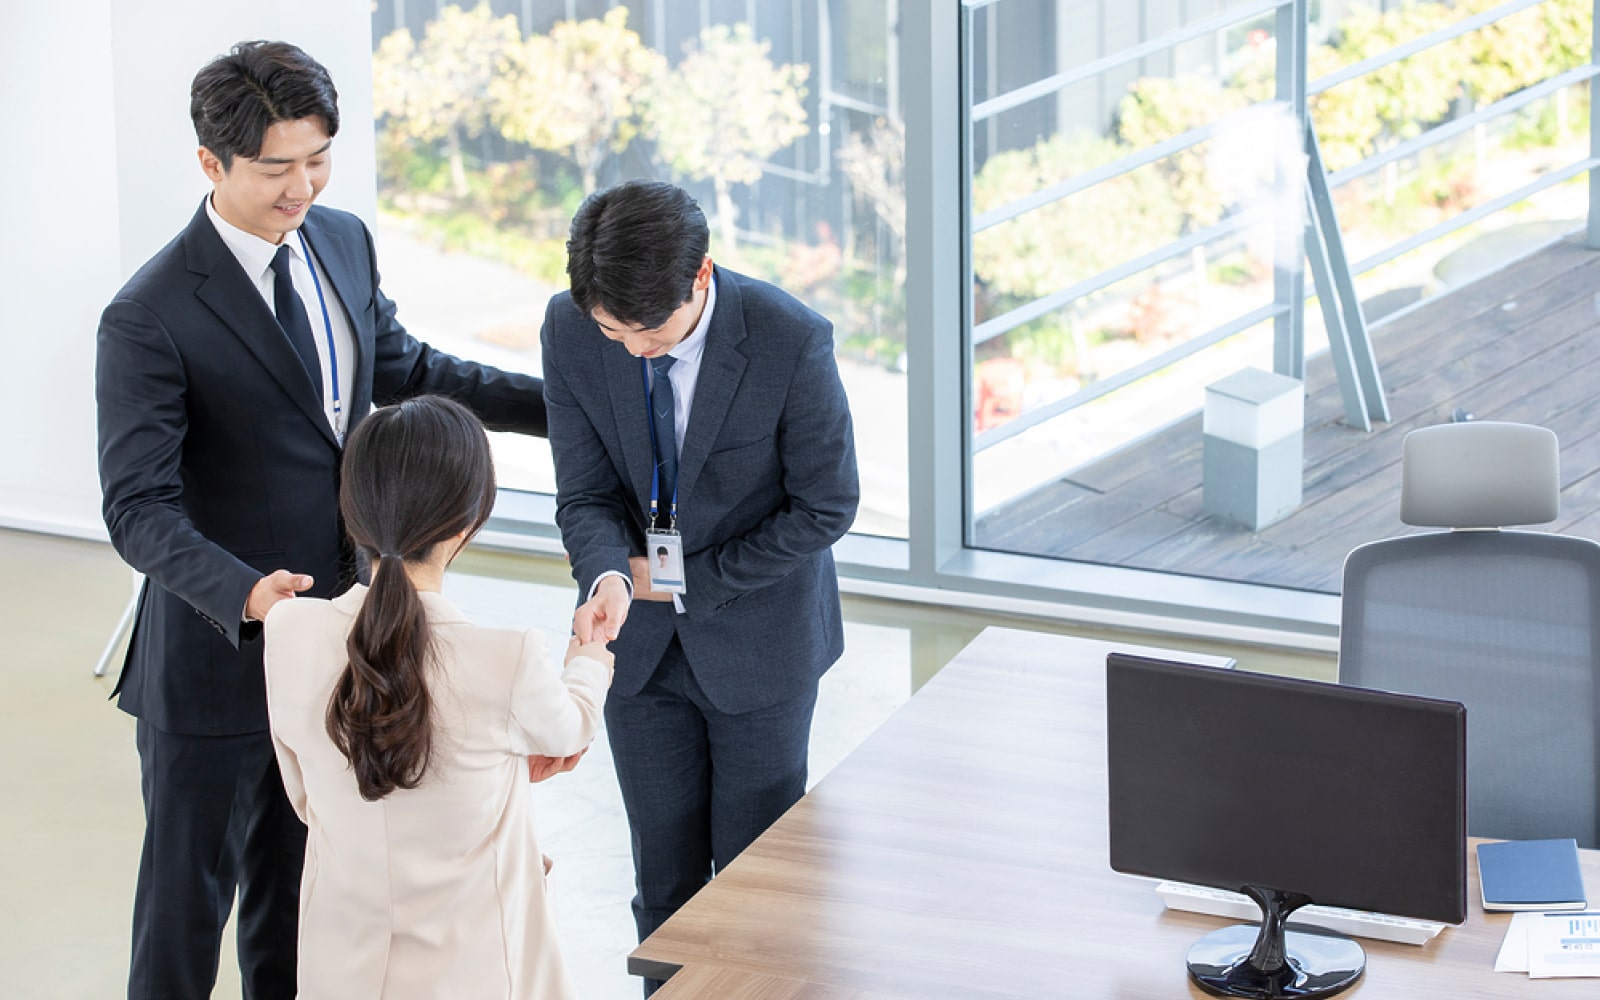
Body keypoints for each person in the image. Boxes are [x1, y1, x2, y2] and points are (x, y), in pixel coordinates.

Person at [95, 41, 547, 999]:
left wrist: (563, 409)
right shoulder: (149, 314)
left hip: (339, 652)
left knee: (299, 915)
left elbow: (410, 369)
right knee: (182, 919)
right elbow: (136, 508)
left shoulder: (341, 240)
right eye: (276, 168)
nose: (302, 187)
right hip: (215, 664)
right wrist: (246, 595)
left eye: (319, 158)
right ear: (212, 162)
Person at [540, 180, 860, 993]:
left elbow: (826, 505)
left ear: (701, 276)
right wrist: (607, 574)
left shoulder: (790, 338)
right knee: (664, 885)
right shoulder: (570, 329)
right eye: (614, 332)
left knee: (754, 890)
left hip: (760, 645)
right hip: (636, 648)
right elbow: (583, 493)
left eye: (651, 331)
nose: (634, 351)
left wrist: (687, 582)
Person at [262, 396, 612, 999]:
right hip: (474, 976)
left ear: (354, 512)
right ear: (464, 524)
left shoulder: (290, 630)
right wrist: (588, 661)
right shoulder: (507, 658)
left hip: (338, 969)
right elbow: (570, 728)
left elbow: (306, 797)